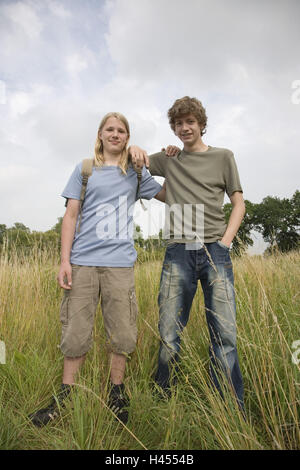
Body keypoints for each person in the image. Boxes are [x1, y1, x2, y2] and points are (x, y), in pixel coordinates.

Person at [29, 112, 166, 427]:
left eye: (121, 130)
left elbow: (167, 195)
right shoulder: (85, 169)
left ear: (127, 137)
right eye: (110, 129)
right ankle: (67, 393)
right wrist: (65, 260)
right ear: (101, 134)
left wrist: (168, 162)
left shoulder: (134, 170)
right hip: (83, 263)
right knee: (76, 330)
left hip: (119, 264)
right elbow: (71, 216)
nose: (115, 134)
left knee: (122, 330)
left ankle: (116, 391)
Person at [131, 96, 246, 412]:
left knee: (225, 335)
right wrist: (136, 149)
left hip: (215, 252)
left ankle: (229, 407)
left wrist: (224, 243)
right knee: (169, 334)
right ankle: (162, 401)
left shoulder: (224, 157)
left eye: (190, 122)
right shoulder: (170, 160)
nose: (184, 128)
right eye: (178, 123)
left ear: (201, 124)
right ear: (174, 127)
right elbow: (133, 163)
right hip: (178, 252)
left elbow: (239, 203)